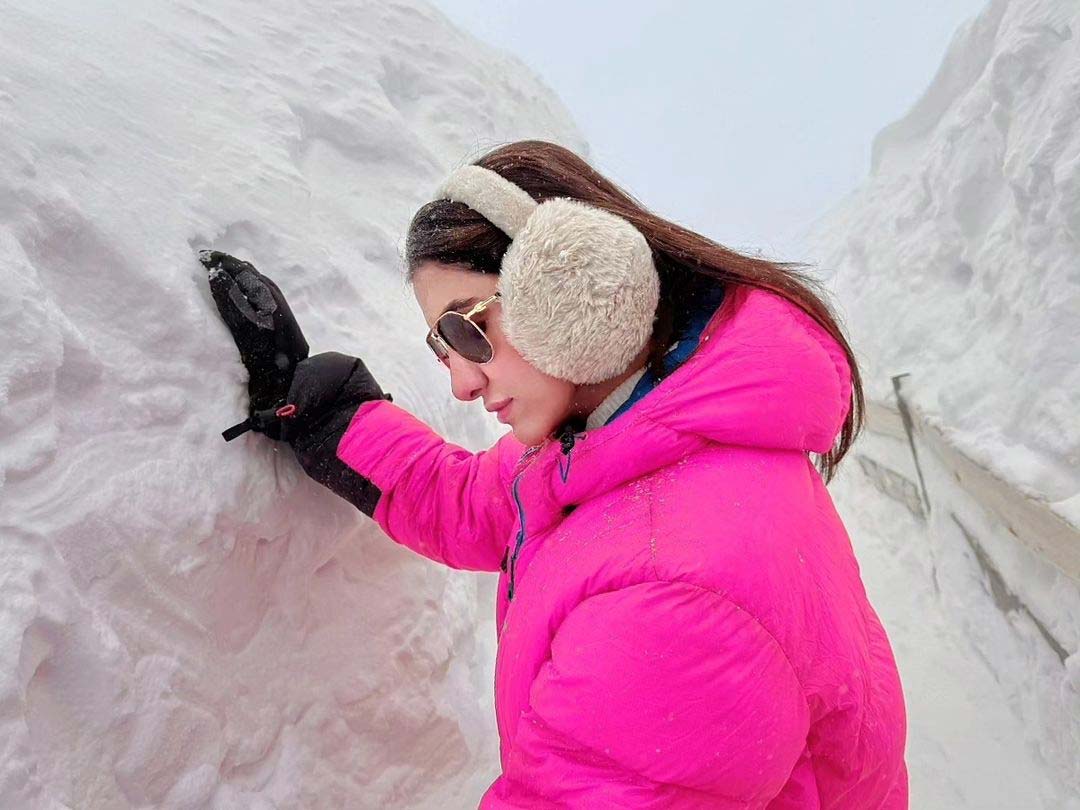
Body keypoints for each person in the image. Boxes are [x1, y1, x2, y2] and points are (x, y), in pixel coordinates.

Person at [202, 140, 909, 808]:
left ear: (572, 289)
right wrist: (333, 418)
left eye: (466, 329)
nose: (462, 386)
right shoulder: (638, 441)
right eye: (441, 347)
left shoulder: (673, 593)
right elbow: (476, 502)